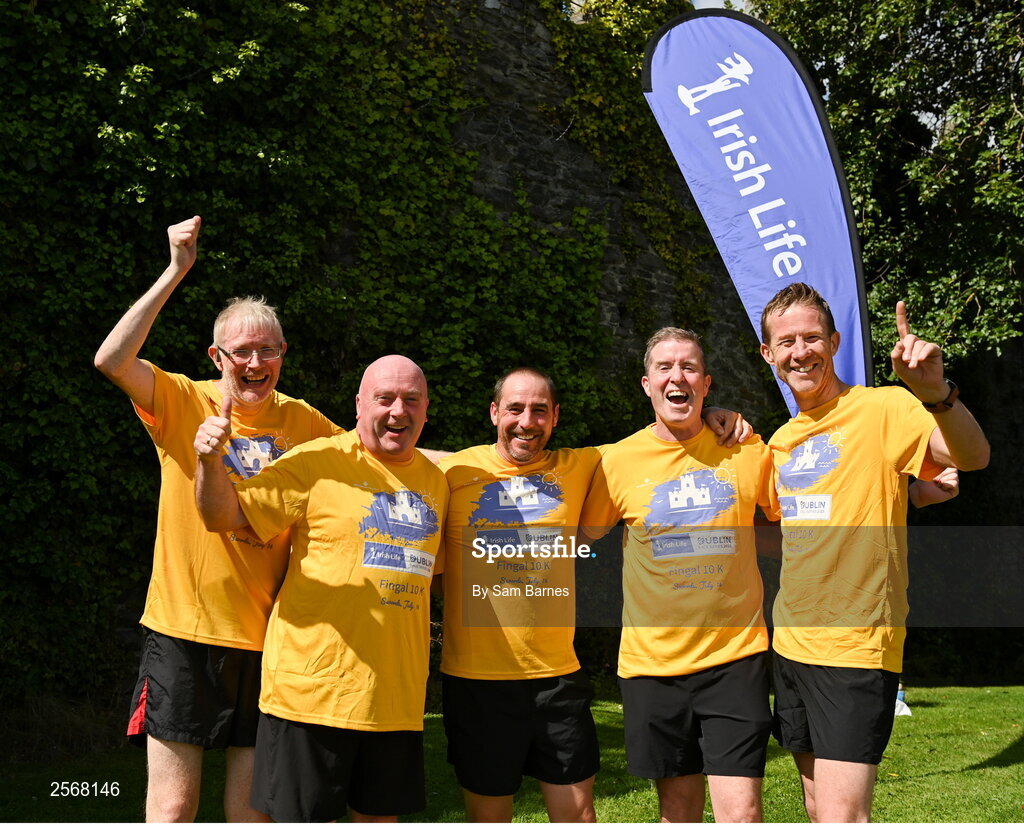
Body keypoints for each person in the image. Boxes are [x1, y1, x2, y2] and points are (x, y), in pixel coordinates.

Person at [94, 216, 339, 821]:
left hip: (269, 642)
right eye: (242, 351)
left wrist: (483, 468)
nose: (254, 362)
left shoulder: (305, 422)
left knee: (251, 814)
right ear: (217, 356)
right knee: (173, 809)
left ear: (283, 354)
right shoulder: (184, 399)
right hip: (183, 634)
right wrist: (176, 269)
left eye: (267, 350)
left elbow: (381, 457)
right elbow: (112, 359)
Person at [758, 282, 989, 822]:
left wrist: (939, 395)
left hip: (856, 648)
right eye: (786, 342)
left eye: (811, 337)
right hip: (790, 643)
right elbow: (791, 529)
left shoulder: (885, 407)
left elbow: (972, 457)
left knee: (843, 817)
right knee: (817, 809)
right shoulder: (781, 441)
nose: (800, 352)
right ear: (768, 354)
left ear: (834, 342)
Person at [194, 355, 448, 823]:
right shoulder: (316, 462)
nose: (398, 411)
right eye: (384, 398)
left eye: (411, 400)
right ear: (358, 405)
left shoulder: (438, 484)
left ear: (426, 409)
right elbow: (222, 516)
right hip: (311, 696)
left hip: (396, 701)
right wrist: (209, 460)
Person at [580, 328, 776, 823]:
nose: (677, 376)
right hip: (653, 665)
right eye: (664, 368)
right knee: (678, 810)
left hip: (736, 658)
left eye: (688, 367)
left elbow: (804, 518)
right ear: (647, 384)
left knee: (743, 811)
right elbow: (581, 530)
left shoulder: (748, 451)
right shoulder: (615, 462)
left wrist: (911, 494)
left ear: (706, 384)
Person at [437, 368, 602, 823]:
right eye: (514, 408)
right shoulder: (454, 471)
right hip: (476, 680)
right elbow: (391, 454)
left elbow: (657, 442)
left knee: (577, 814)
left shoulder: (582, 465)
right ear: (494, 413)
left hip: (557, 677)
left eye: (538, 410)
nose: (526, 421)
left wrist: (716, 414)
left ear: (555, 418)